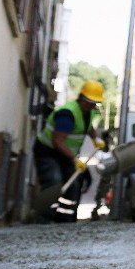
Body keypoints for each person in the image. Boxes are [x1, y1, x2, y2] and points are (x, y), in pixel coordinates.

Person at [33, 80, 106, 222]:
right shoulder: (67, 114)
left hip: (64, 155)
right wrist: (74, 160)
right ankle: (43, 221)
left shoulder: (88, 112)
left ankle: (66, 220)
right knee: (54, 181)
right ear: (82, 98)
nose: (92, 105)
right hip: (48, 152)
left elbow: (87, 127)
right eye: (90, 101)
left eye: (95, 102)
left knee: (73, 185)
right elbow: (57, 141)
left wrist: (95, 139)